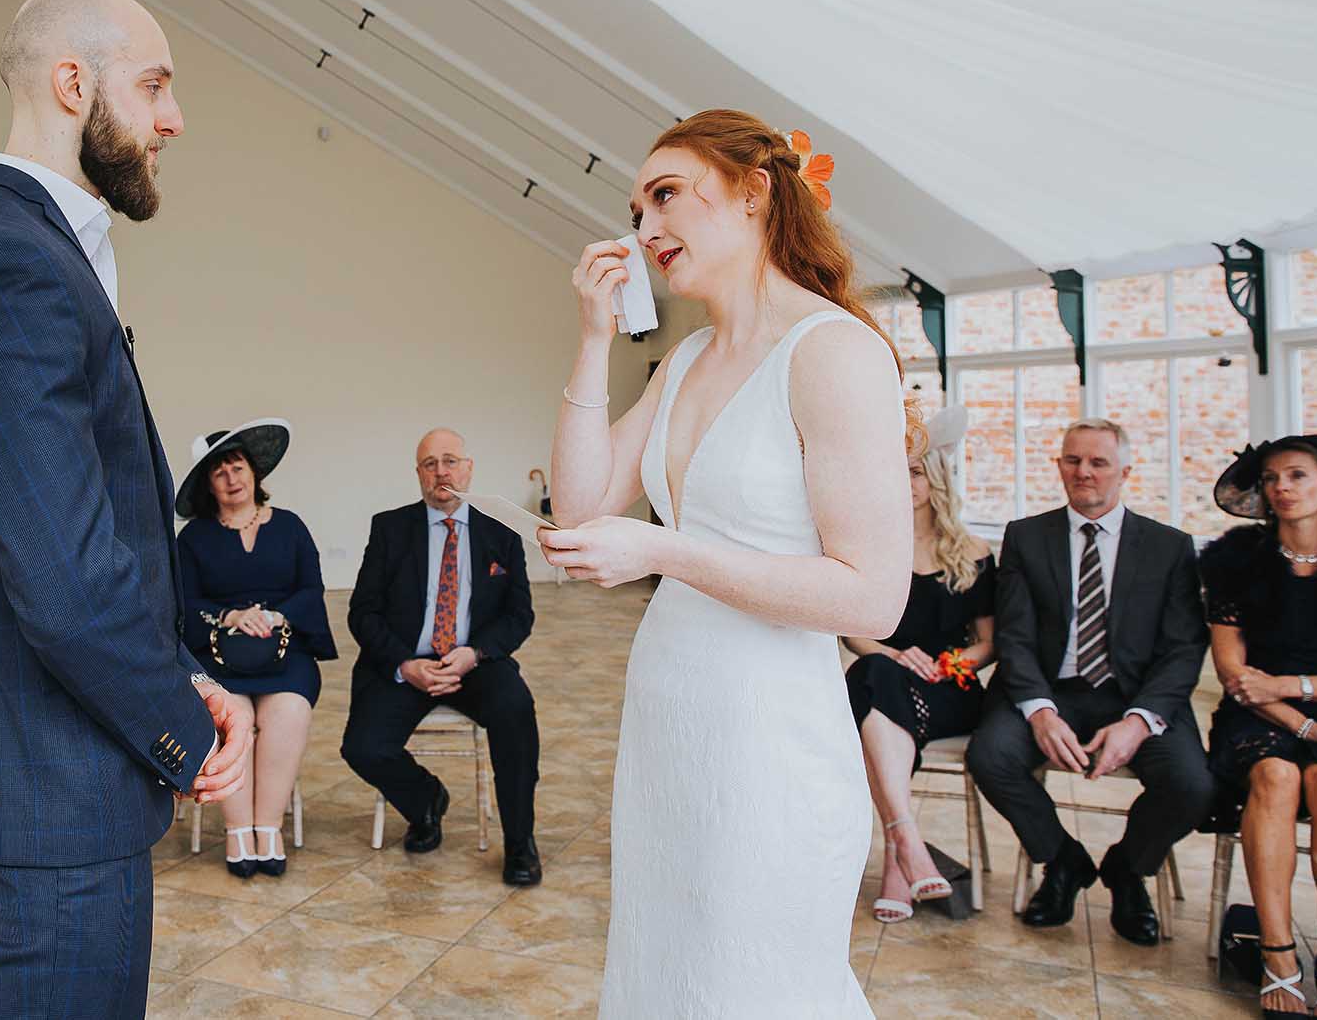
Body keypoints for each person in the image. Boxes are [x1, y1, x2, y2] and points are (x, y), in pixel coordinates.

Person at [0, 0, 252, 1018]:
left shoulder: (26, 252)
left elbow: (87, 528)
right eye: (154, 85)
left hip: (61, 765)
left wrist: (179, 665)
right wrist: (175, 723)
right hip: (50, 778)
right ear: (71, 81)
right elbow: (65, 579)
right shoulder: (1, 263)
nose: (173, 118)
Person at [544, 111, 912, 1016]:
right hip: (670, 721)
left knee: (751, 983)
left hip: (769, 739)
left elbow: (873, 599)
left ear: (754, 192)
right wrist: (595, 340)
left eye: (667, 194)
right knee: (665, 974)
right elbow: (584, 504)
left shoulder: (835, 353)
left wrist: (662, 549)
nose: (644, 229)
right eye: (635, 209)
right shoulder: (687, 357)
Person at [966, 418, 1212, 947]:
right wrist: (1039, 710)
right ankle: (1062, 860)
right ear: (1059, 466)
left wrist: (1139, 722)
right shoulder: (1026, 537)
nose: (1084, 472)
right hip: (1048, 690)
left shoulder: (1170, 547)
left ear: (1125, 471)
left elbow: (1183, 649)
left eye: (1098, 462)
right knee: (991, 756)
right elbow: (1015, 637)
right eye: (1072, 461)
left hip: (1135, 697)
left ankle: (1128, 868)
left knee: (1193, 785)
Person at [340, 429, 542, 886]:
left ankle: (520, 843)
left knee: (515, 712)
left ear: (469, 468)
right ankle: (426, 801)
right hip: (408, 663)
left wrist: (475, 653)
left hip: (475, 663)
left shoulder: (501, 531)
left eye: (450, 460)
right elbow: (363, 612)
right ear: (418, 475)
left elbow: (519, 615)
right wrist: (405, 664)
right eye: (429, 464)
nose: (441, 472)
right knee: (362, 747)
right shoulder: (390, 528)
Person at [1201, 434, 1317, 1015]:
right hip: (1254, 715)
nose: (1282, 488)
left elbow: (1269, 680)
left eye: (1297, 476)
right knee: (1277, 776)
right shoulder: (1235, 559)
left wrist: (1291, 688)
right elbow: (1234, 672)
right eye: (1271, 479)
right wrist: (1298, 722)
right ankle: (1279, 951)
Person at [842, 406, 997, 923]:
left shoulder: (972, 551)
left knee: (872, 693)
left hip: (949, 687)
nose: (905, 483)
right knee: (876, 673)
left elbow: (988, 644)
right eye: (897, 472)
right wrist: (891, 653)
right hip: (887, 677)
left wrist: (950, 663)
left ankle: (898, 853)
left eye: (914, 472)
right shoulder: (873, 546)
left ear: (935, 480)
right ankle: (905, 845)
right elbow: (853, 631)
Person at [175, 420, 337, 876]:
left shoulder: (290, 527)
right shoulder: (193, 539)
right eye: (220, 471)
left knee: (285, 714)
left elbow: (312, 589)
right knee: (235, 718)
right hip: (218, 657)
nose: (232, 477)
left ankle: (268, 826)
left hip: (285, 655)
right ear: (209, 484)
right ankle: (238, 829)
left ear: (254, 473)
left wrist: (276, 616)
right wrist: (229, 616)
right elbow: (184, 602)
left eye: (238, 466)